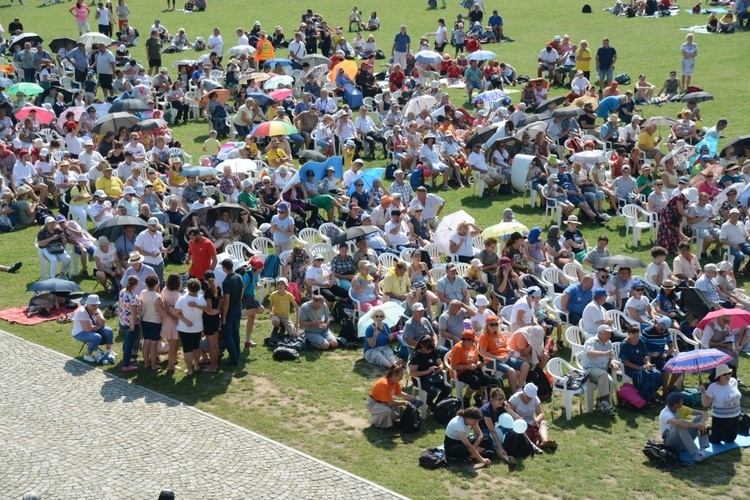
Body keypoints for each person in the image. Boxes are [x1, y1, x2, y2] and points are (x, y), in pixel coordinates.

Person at [478, 315, 528, 394]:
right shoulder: (484, 336)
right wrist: (497, 357)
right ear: (487, 326)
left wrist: (508, 349)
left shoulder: (498, 334)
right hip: (493, 361)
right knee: (512, 371)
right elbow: (483, 352)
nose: (494, 326)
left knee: (525, 365)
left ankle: (519, 388)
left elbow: (506, 345)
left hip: (505, 357)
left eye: (496, 324)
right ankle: (514, 394)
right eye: (492, 324)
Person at [619, 324, 664, 404]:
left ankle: (651, 395)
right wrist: (640, 368)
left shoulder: (640, 342)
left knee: (656, 373)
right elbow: (626, 362)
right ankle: (644, 397)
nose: (635, 335)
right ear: (629, 333)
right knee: (645, 375)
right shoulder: (624, 344)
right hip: (630, 367)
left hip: (641, 364)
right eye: (633, 333)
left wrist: (648, 363)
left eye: (637, 333)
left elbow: (644, 355)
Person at [659, 391, 709, 462]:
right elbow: (678, 423)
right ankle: (694, 453)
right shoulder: (665, 413)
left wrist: (702, 422)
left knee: (699, 418)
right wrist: (697, 425)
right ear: (676, 404)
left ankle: (703, 449)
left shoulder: (681, 408)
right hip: (671, 444)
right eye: (681, 401)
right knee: (680, 425)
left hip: (683, 442)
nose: (683, 401)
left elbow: (703, 413)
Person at [582, 325, 620, 416]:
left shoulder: (609, 343)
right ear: (600, 333)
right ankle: (604, 400)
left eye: (610, 333)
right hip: (589, 369)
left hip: (602, 370)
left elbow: (610, 358)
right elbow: (590, 353)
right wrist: (605, 353)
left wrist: (613, 364)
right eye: (607, 333)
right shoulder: (591, 341)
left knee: (610, 381)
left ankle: (603, 401)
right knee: (603, 375)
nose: (609, 335)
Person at [700, 364, 741, 445]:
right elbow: (706, 404)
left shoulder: (734, 381)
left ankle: (718, 431)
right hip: (720, 418)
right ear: (719, 376)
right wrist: (703, 393)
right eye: (725, 374)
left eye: (729, 373)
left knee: (730, 440)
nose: (728, 376)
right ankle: (708, 430)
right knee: (715, 441)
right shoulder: (713, 387)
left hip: (735, 416)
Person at [507, 383, 557, 451]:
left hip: (531, 421)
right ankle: (536, 443)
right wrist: (518, 419)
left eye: (531, 397)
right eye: (528, 397)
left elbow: (541, 414)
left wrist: (537, 420)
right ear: (524, 392)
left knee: (543, 422)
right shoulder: (514, 399)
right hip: (519, 423)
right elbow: (510, 414)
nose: (529, 399)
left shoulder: (535, 399)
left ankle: (545, 441)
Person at [367, 364, 417, 429]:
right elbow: (391, 403)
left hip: (384, 401)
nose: (401, 379)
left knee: (400, 409)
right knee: (387, 411)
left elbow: (398, 392)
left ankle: (389, 421)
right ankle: (377, 423)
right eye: (401, 377)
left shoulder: (394, 381)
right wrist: (404, 402)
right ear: (394, 376)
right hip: (373, 403)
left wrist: (409, 397)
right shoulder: (383, 384)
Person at [173, 278, 205, 375]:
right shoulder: (201, 298)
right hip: (198, 327)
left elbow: (176, 312)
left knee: (187, 349)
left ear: (188, 288)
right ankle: (196, 366)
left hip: (184, 328)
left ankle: (189, 370)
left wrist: (185, 320)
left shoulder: (183, 299)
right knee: (196, 347)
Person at [450, 329, 490, 408]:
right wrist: (467, 366)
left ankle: (477, 396)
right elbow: (453, 366)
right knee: (475, 382)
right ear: (466, 340)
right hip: (461, 371)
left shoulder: (473, 346)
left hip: (472, 369)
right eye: (472, 340)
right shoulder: (458, 348)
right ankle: (466, 399)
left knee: (486, 378)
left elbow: (475, 360)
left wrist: (479, 363)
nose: (474, 342)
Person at [408, 335, 450, 407]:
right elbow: (412, 373)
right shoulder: (416, 355)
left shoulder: (433, 351)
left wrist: (439, 368)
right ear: (422, 346)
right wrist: (427, 371)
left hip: (434, 376)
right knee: (433, 391)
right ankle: (430, 403)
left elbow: (441, 363)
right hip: (421, 379)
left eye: (430, 349)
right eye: (427, 349)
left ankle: (437, 405)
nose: (429, 351)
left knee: (448, 388)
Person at [72, 294, 115, 362]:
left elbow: (102, 322)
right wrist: (99, 326)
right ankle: (87, 355)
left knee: (109, 330)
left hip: (93, 328)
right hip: (80, 332)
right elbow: (87, 329)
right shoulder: (82, 312)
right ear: (87, 304)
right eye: (92, 305)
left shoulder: (97, 310)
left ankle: (108, 350)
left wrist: (96, 314)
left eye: (96, 304)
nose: (95, 306)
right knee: (96, 337)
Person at [138, 274, 165, 374]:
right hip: (155, 322)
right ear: (157, 284)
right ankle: (154, 365)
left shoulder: (142, 292)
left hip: (144, 320)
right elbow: (160, 311)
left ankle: (146, 363)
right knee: (153, 344)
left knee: (146, 342)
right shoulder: (157, 297)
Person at [221, 258, 244, 367]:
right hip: (238, 307)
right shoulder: (239, 277)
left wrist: (224, 316)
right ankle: (237, 354)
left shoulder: (226, 281)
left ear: (224, 268)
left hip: (230, 310)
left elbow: (226, 301)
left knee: (228, 334)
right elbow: (243, 288)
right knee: (236, 332)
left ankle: (233, 358)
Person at [118, 275, 141, 372]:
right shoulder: (133, 297)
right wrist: (133, 325)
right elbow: (133, 313)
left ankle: (126, 358)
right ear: (135, 285)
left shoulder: (122, 292)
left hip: (122, 321)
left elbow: (120, 305)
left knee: (126, 342)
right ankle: (126, 365)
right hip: (130, 323)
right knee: (129, 345)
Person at [160, 273, 182, 371]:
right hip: (174, 321)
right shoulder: (177, 295)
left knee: (170, 340)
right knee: (174, 345)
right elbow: (178, 309)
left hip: (166, 319)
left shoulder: (164, 290)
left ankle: (174, 358)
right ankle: (171, 365)